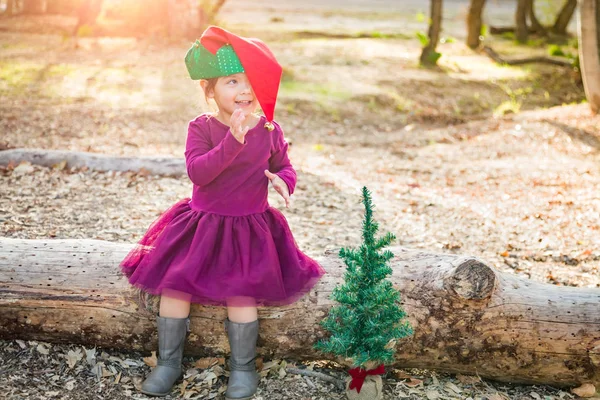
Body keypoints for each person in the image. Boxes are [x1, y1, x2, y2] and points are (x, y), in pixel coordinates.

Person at [120, 26, 325, 399]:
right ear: (210, 90)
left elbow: (284, 165)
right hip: (201, 225)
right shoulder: (201, 128)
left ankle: (243, 369)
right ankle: (168, 364)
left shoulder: (269, 129)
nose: (244, 91)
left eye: (250, 82)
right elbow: (199, 172)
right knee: (176, 288)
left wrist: (283, 181)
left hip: (250, 227)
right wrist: (234, 138)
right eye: (232, 82)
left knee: (242, 295)